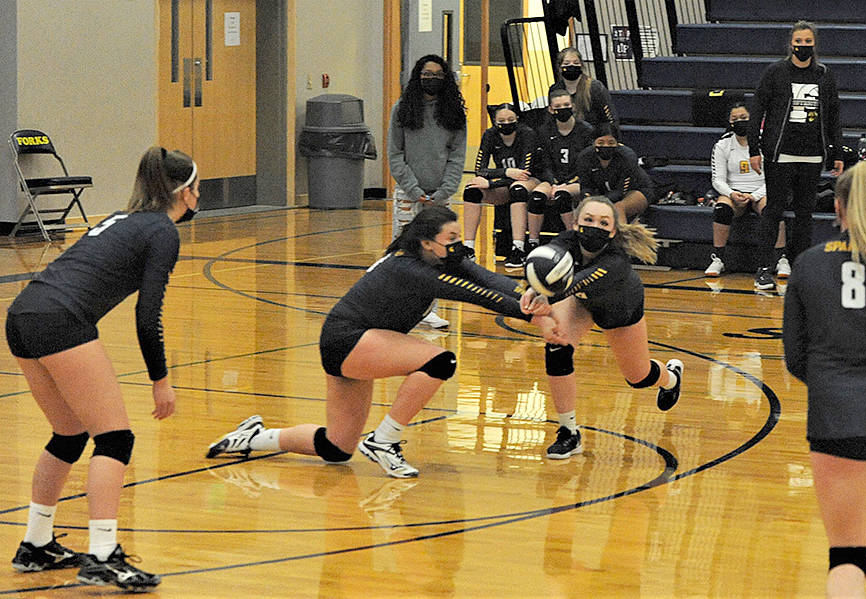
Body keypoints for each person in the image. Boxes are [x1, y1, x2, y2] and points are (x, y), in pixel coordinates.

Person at [207, 207, 557, 478]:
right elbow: (471, 293)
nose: (457, 245)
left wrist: (533, 294)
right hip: (347, 338)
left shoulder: (438, 257)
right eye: (450, 238)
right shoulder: (407, 268)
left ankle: (253, 437)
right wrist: (533, 315)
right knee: (439, 361)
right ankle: (384, 440)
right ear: (426, 242)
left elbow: (489, 278)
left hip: (364, 342)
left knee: (336, 448)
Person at [6, 147, 199, 591]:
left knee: (69, 433)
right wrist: (160, 380)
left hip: (23, 314)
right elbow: (148, 314)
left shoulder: (125, 218)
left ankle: (36, 545)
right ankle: (104, 555)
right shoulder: (162, 233)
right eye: (198, 187)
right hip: (59, 319)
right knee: (115, 438)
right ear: (185, 194)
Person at [782, 161, 866, 599]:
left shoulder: (809, 264)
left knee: (847, 556)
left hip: (837, 414)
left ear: (838, 208)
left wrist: (838, 385)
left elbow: (795, 358)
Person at [520, 197, 684, 459]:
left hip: (619, 310)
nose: (594, 226)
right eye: (588, 220)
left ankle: (672, 377)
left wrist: (545, 296)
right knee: (557, 346)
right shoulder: (566, 241)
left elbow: (579, 281)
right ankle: (569, 432)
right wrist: (531, 286)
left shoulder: (616, 260)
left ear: (613, 231)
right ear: (575, 223)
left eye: (603, 222)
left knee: (639, 378)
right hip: (582, 304)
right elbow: (543, 261)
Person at [747, 20, 843, 292]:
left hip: (812, 154)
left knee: (804, 214)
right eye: (798, 42)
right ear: (791, 43)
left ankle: (798, 266)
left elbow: (834, 115)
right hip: (779, 154)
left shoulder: (824, 75)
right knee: (773, 210)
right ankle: (764, 268)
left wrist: (835, 150)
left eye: (807, 42)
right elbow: (758, 112)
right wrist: (754, 148)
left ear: (815, 44)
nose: (803, 47)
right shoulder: (775, 72)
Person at [388, 54, 467, 328]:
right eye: (426, 74)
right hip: (409, 195)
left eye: (436, 74)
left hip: (440, 196)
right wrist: (413, 188)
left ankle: (428, 309)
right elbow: (395, 154)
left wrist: (444, 191)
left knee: (436, 253)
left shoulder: (454, 112)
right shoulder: (402, 109)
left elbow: (458, 156)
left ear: (445, 79)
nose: (431, 78)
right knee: (404, 252)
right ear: (417, 77)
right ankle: (398, 307)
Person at [705, 101, 790, 280]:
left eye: (744, 118)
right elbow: (717, 179)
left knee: (773, 209)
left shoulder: (768, 141)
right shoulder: (722, 145)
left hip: (762, 191)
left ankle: (781, 258)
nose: (739, 121)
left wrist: (754, 195)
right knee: (722, 209)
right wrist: (731, 194)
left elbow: (775, 177)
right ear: (729, 122)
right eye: (735, 119)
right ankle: (718, 258)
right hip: (734, 192)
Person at [463, 103, 540, 270]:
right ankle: (468, 247)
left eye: (510, 119)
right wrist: (506, 172)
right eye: (501, 120)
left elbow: (524, 172)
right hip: (505, 182)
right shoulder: (490, 135)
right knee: (472, 191)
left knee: (518, 188)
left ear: (517, 119)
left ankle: (518, 248)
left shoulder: (527, 134)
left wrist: (491, 181)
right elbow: (480, 169)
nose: (506, 123)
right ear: (495, 121)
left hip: (532, 181)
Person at [527, 89, 595, 252]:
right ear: (551, 109)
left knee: (562, 195)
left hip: (578, 180)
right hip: (553, 179)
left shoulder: (586, 130)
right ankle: (532, 243)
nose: (562, 109)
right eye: (558, 106)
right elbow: (544, 164)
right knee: (536, 198)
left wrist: (564, 185)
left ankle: (573, 239)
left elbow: (587, 165)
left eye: (566, 105)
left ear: (573, 106)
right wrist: (554, 183)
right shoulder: (544, 131)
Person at [574, 122, 653, 223]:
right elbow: (585, 186)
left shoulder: (628, 158)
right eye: (601, 143)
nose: (606, 146)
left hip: (635, 190)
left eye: (611, 143)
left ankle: (622, 237)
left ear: (617, 143)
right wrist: (588, 199)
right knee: (585, 207)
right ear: (593, 143)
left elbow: (621, 192)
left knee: (617, 208)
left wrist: (598, 202)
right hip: (604, 193)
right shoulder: (584, 157)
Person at [548, 46, 617, 131]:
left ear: (581, 65)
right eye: (566, 64)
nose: (571, 66)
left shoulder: (595, 87)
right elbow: (551, 119)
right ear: (560, 67)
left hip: (594, 137)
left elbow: (610, 119)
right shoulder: (555, 89)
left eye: (576, 63)